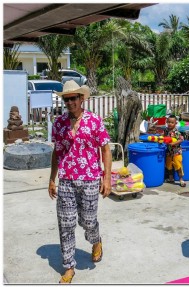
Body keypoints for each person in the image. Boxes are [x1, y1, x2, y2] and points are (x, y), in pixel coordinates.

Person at [48, 80, 112, 284]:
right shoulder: (58, 124)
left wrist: (107, 178)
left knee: (88, 221)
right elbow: (57, 152)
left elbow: (106, 150)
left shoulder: (94, 121)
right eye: (66, 99)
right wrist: (52, 179)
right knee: (65, 224)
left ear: (81, 99)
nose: (69, 102)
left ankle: (96, 240)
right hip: (66, 179)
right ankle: (68, 266)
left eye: (73, 98)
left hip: (91, 178)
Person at [163, 115, 186, 187]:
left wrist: (173, 143)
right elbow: (164, 137)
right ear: (167, 122)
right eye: (169, 122)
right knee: (169, 165)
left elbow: (181, 139)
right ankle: (171, 178)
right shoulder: (166, 130)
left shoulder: (176, 131)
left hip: (176, 152)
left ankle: (181, 180)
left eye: (172, 122)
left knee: (178, 166)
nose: (170, 124)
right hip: (169, 152)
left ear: (175, 123)